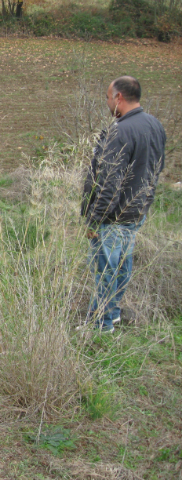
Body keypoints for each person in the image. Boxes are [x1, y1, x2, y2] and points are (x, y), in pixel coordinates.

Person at [81, 76, 166, 333]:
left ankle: (101, 324)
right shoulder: (155, 125)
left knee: (105, 269)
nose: (107, 102)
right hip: (136, 212)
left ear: (119, 97)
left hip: (113, 216)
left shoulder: (120, 131)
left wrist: (95, 218)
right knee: (122, 265)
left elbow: (109, 183)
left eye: (108, 97)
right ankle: (114, 312)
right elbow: (156, 169)